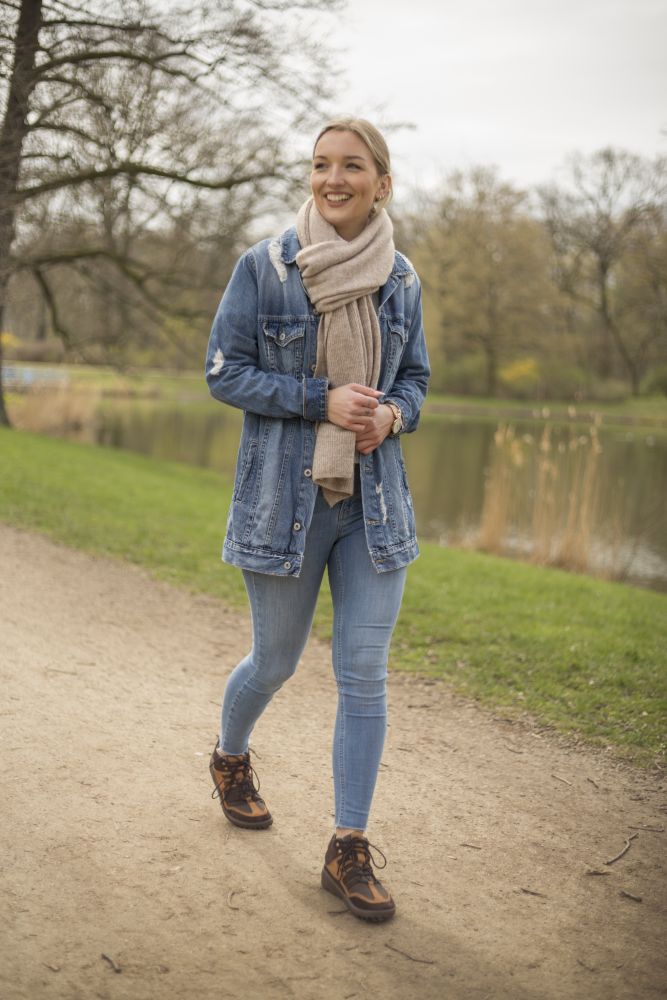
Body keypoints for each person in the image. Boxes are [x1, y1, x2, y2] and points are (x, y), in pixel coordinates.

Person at [205, 117, 430, 922]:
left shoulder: (399, 277)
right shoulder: (265, 269)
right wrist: (317, 400)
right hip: (284, 506)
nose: (333, 179)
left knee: (363, 677)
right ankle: (230, 758)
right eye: (321, 165)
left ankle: (347, 846)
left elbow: (416, 381)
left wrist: (391, 418)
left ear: (381, 182)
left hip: (373, 507)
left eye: (352, 166)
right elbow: (223, 372)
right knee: (274, 662)